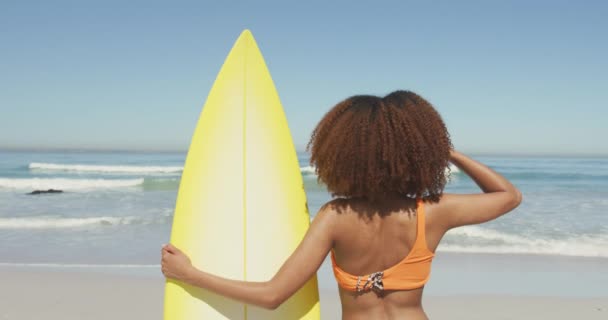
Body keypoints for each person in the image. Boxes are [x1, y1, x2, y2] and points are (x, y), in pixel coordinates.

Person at [161, 90, 522, 319]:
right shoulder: (434, 210)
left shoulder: (336, 217)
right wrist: (445, 151)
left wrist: (190, 275)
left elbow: (273, 296)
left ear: (343, 154)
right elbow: (508, 196)